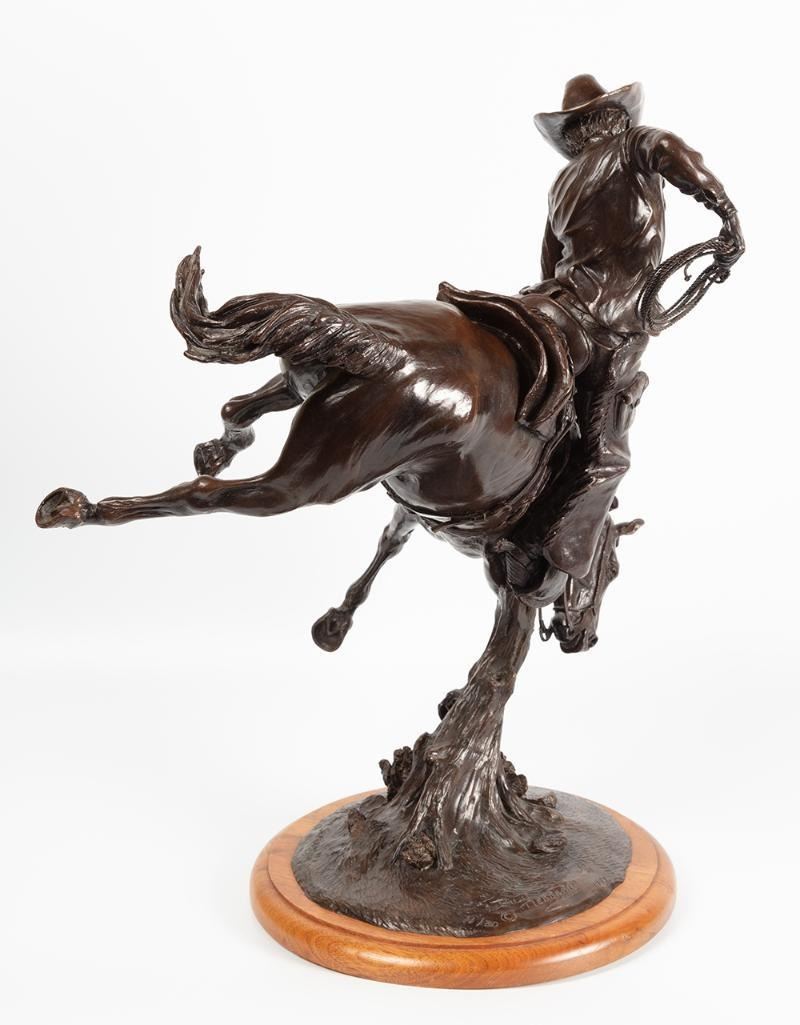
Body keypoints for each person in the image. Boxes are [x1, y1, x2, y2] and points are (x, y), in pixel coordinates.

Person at [517, 75, 744, 585]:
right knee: (606, 456)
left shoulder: (561, 184)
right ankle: (544, 546)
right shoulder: (635, 145)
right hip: (610, 325)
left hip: (552, 306)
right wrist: (726, 213)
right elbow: (676, 155)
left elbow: (548, 263)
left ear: (573, 134)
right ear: (617, 118)